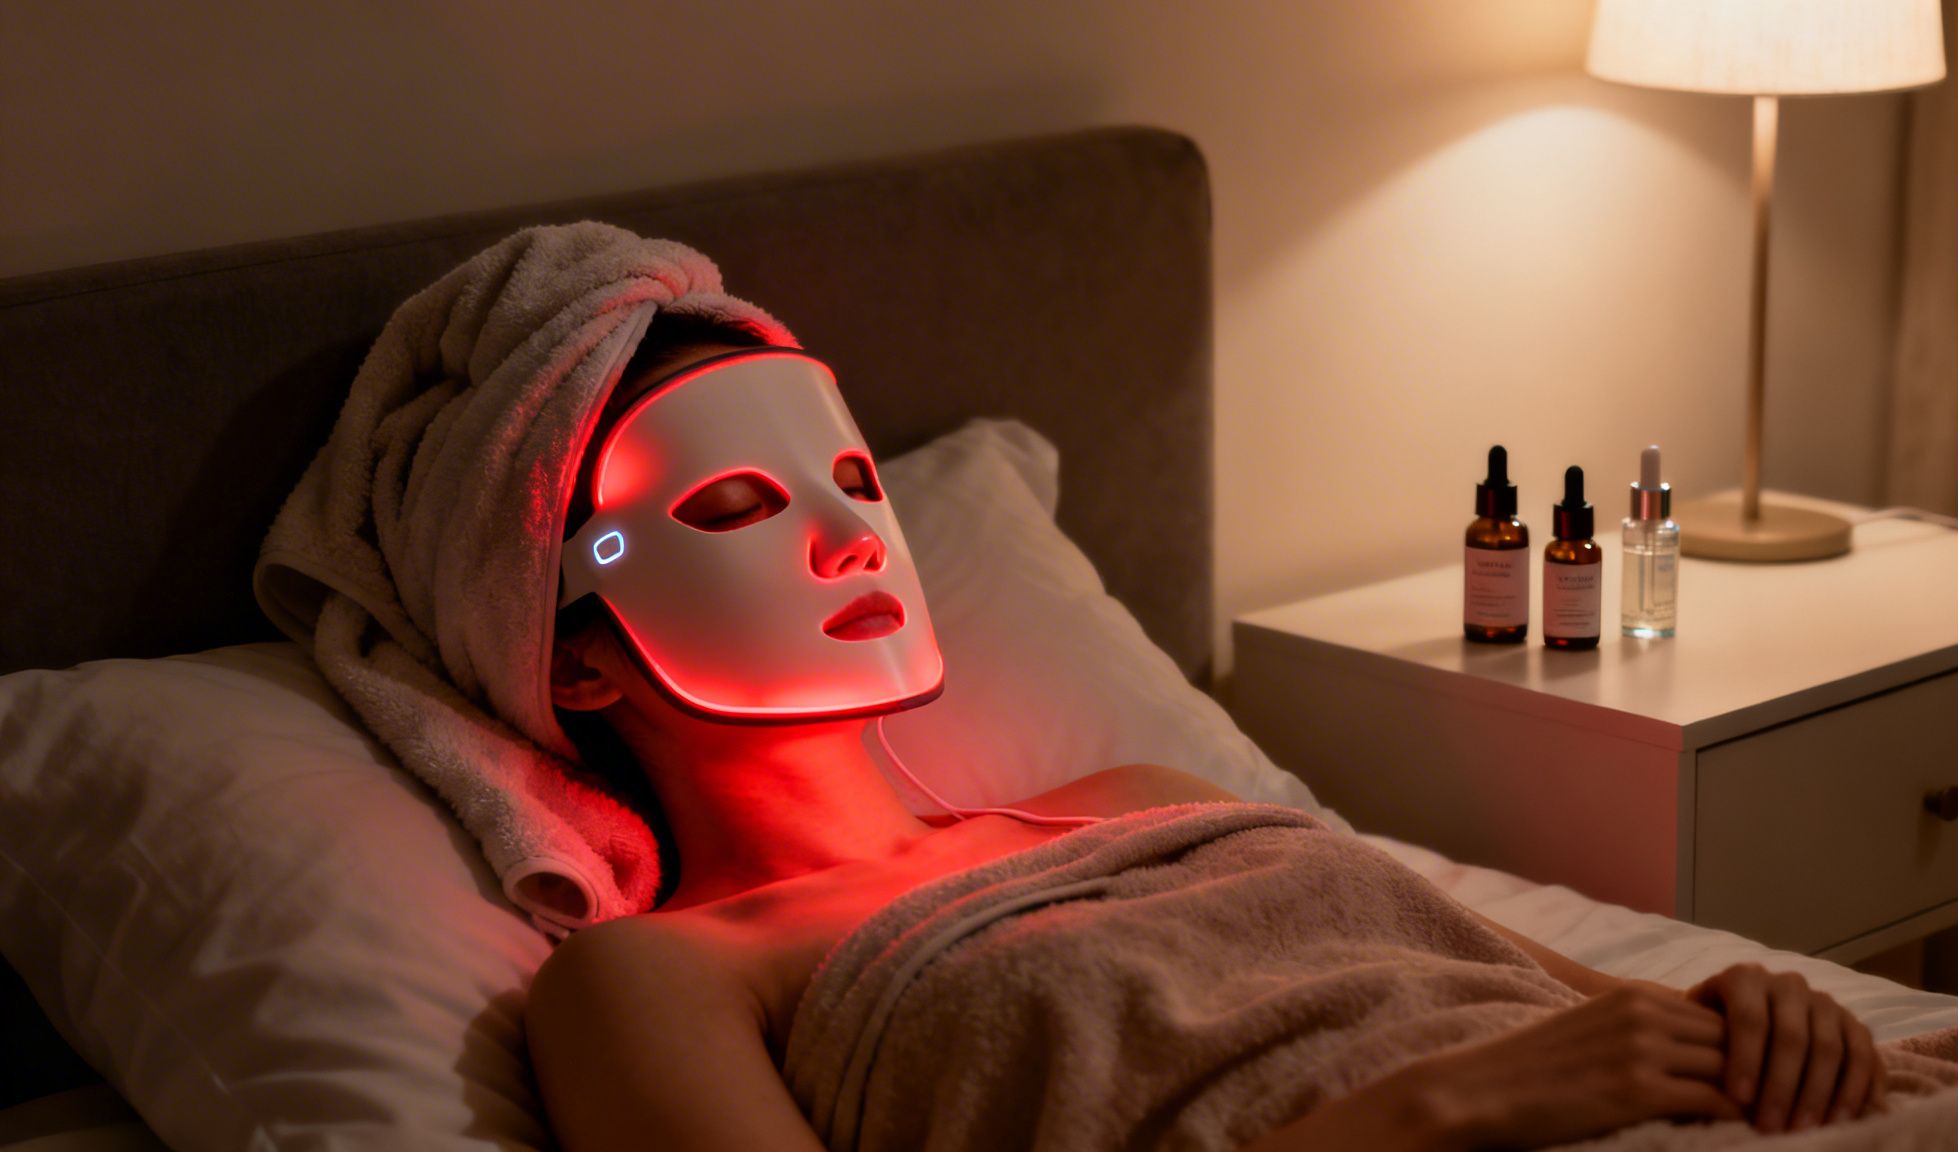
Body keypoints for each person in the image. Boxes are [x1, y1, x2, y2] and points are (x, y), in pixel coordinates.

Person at [521, 313, 1884, 1152]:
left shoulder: (1142, 795)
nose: (843, 541)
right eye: (730, 510)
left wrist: (1758, 1012)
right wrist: (1437, 1113)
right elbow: (1515, 1068)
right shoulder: (659, 977)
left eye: (861, 484)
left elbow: (1589, 1013)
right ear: (580, 658)